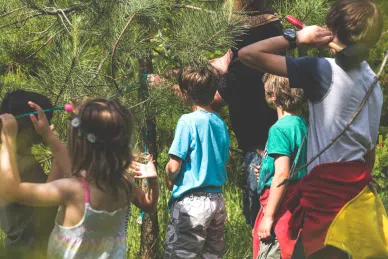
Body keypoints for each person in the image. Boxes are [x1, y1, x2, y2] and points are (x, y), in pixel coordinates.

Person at [238, 0, 387, 258]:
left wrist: (296, 38)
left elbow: (247, 55)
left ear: (333, 27)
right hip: (360, 205)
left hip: (328, 210)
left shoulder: (321, 71)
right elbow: (369, 155)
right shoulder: (373, 83)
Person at [0, 97, 160, 258]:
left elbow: (12, 191)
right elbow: (149, 205)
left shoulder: (73, 190)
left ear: (79, 144)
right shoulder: (123, 184)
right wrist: (153, 182)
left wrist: (8, 139)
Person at [164, 64, 230, 259]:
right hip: (217, 201)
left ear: (185, 93)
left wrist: (168, 175)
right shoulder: (219, 122)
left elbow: (174, 165)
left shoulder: (188, 121)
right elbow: (225, 161)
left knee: (180, 254)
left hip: (192, 203)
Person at [252, 74, 307, 259]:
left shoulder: (279, 129)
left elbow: (282, 174)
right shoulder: (301, 123)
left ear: (273, 96)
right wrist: (266, 170)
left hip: (279, 205)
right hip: (297, 201)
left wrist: (268, 217)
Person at [0, 90, 59, 259]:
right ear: (32, 125)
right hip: (30, 250)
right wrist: (57, 165)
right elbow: (46, 203)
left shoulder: (14, 157)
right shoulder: (20, 164)